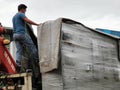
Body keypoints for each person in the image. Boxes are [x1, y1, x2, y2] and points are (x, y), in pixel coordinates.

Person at [12, 4, 39, 72]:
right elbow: (27, 20)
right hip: (21, 34)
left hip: (15, 35)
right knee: (32, 46)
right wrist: (37, 24)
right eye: (25, 9)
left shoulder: (14, 17)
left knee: (19, 51)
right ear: (22, 9)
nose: (25, 11)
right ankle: (37, 60)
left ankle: (18, 65)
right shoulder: (21, 14)